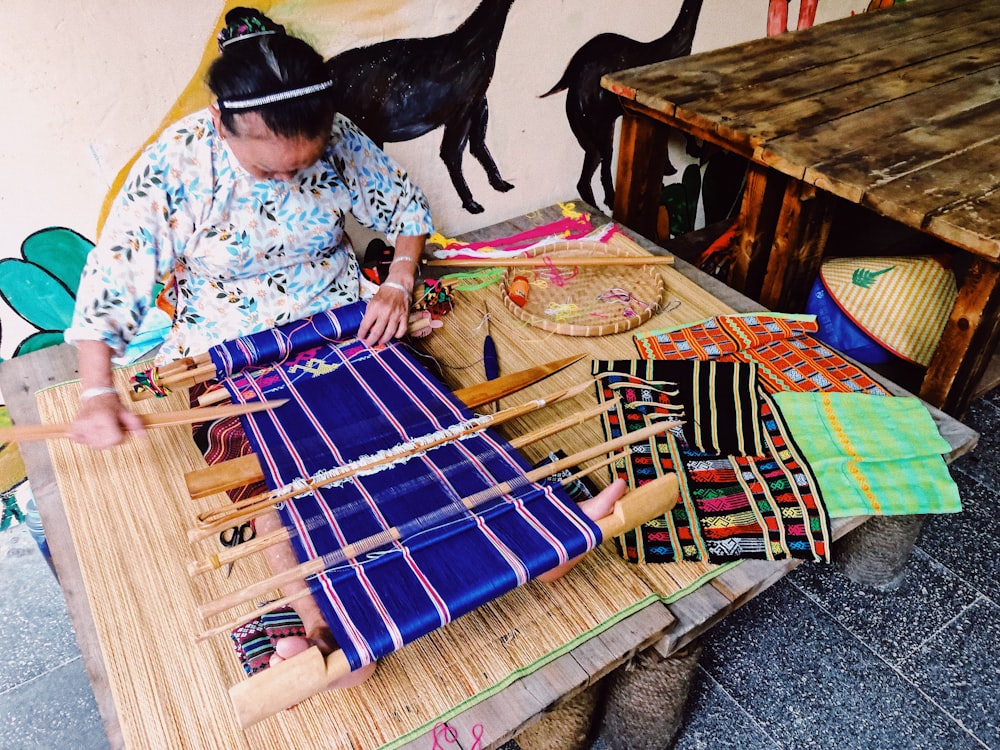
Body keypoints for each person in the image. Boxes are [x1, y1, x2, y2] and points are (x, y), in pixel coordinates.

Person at [64, 7, 626, 688]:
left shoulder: (341, 140)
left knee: (417, 422)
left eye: (305, 163)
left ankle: (526, 530)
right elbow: (111, 284)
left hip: (339, 324)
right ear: (221, 123)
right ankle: (324, 623)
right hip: (231, 349)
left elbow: (405, 210)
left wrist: (396, 283)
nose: (290, 180)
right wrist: (97, 389)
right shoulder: (174, 169)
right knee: (269, 467)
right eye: (271, 172)